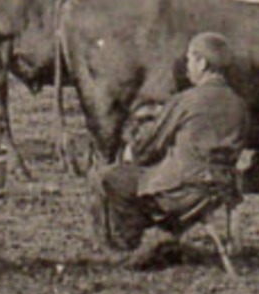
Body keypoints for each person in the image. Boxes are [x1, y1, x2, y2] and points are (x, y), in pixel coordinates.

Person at [90, 32, 249, 264]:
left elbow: (148, 147)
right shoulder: (239, 104)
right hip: (218, 190)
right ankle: (163, 239)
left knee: (109, 177)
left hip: (181, 191)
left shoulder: (188, 100)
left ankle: (128, 249)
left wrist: (138, 131)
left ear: (202, 63)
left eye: (190, 60)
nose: (187, 67)